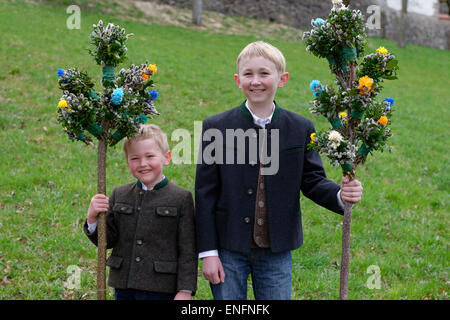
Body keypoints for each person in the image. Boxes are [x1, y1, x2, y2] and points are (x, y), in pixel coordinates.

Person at [195, 41, 363, 300]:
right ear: (238, 80)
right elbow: (205, 193)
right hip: (227, 248)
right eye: (248, 74)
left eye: (264, 73)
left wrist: (341, 195)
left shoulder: (300, 128)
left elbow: (313, 181)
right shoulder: (215, 127)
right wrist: (208, 253)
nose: (256, 81)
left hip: (276, 250)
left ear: (282, 79)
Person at [84, 124, 197, 300]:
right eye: (135, 158)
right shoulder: (119, 194)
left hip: (162, 289)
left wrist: (185, 290)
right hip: (124, 286)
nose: (143, 164)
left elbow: (188, 249)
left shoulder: (181, 198)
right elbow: (107, 240)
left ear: (166, 158)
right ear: (128, 162)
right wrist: (92, 218)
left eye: (150, 156)